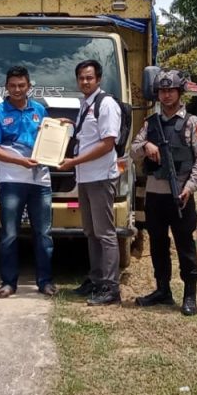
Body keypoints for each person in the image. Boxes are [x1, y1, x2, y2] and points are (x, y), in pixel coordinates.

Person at [130, 69, 197, 316]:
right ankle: (162, 290)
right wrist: (146, 145)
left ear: (179, 92)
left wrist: (189, 188)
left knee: (185, 245)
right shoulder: (150, 124)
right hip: (155, 194)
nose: (165, 95)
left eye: (170, 90)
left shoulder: (192, 123)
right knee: (158, 245)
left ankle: (189, 295)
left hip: (181, 195)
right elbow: (133, 150)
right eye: (162, 91)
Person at [0, 66, 56, 298]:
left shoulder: (40, 110)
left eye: (21, 85)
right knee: (9, 234)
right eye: (13, 85)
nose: (17, 89)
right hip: (11, 181)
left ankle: (45, 282)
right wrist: (21, 161)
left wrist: (61, 127)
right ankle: (8, 283)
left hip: (41, 182)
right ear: (6, 87)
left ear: (29, 87)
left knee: (43, 234)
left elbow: (51, 138)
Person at [59, 59, 123, 307]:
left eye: (89, 78)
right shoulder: (86, 104)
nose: (85, 81)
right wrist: (71, 126)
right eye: (81, 78)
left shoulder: (106, 104)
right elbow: (88, 136)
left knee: (105, 234)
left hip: (100, 178)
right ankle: (95, 280)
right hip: (85, 178)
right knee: (91, 232)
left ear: (98, 79)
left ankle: (110, 287)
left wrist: (73, 161)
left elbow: (108, 143)